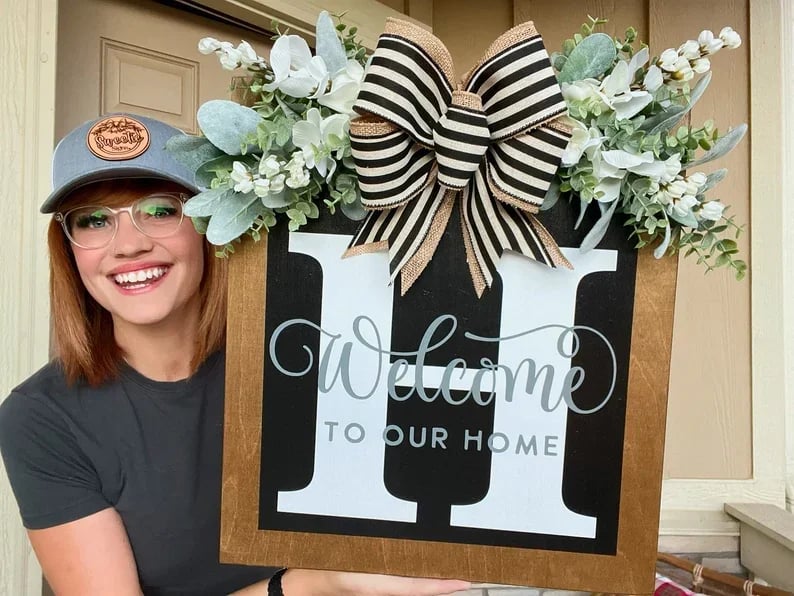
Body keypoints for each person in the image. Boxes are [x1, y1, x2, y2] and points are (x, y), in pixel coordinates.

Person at [0, 114, 471, 596]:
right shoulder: (41, 418)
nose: (130, 245)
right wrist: (318, 583)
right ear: (69, 248)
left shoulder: (303, 359)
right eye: (94, 220)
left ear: (211, 222)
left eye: (161, 210)